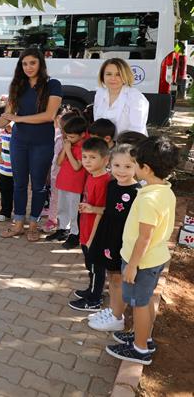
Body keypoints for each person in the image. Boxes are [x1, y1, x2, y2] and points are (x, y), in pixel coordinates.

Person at [105, 136, 177, 365]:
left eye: (134, 163)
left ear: (144, 168)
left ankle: (140, 348)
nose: (132, 167)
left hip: (142, 263)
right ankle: (142, 336)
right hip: (154, 258)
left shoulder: (149, 199)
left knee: (139, 304)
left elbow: (144, 237)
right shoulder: (164, 190)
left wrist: (133, 266)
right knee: (143, 302)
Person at [0, 48, 62, 242]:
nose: (28, 67)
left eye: (32, 63)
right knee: (19, 184)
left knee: (38, 186)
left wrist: (18, 118)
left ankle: (34, 225)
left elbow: (48, 116)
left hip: (42, 143)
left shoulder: (53, 85)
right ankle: (19, 224)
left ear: (40, 64)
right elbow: (8, 115)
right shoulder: (17, 85)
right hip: (19, 142)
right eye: (24, 63)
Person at [87, 144, 140, 332]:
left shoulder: (138, 192)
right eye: (117, 165)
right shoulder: (111, 184)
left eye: (128, 166)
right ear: (110, 164)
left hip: (123, 241)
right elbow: (109, 211)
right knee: (112, 276)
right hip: (108, 236)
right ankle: (113, 310)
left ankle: (117, 318)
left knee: (118, 279)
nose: (121, 171)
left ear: (137, 166)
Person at [68, 137, 111, 311]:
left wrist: (91, 237)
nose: (87, 161)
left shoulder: (104, 181)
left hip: (95, 233)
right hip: (86, 229)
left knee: (96, 266)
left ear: (105, 159)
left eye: (92, 157)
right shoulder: (92, 176)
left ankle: (94, 300)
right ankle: (93, 289)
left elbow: (103, 210)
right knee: (90, 264)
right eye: (85, 157)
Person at [47, 116, 88, 246]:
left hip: (76, 185)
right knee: (62, 208)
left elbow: (77, 166)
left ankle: (75, 234)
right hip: (63, 182)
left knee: (74, 211)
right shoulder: (68, 144)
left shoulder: (84, 146)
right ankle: (62, 229)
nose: (69, 139)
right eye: (67, 136)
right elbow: (59, 162)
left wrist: (68, 150)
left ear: (82, 135)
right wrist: (65, 148)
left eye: (72, 137)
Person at [93, 58, 149, 136]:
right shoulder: (100, 93)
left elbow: (137, 132)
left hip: (128, 145)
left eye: (118, 74)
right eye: (109, 74)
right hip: (102, 144)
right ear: (102, 76)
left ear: (125, 76)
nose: (113, 78)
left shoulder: (136, 97)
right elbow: (97, 124)